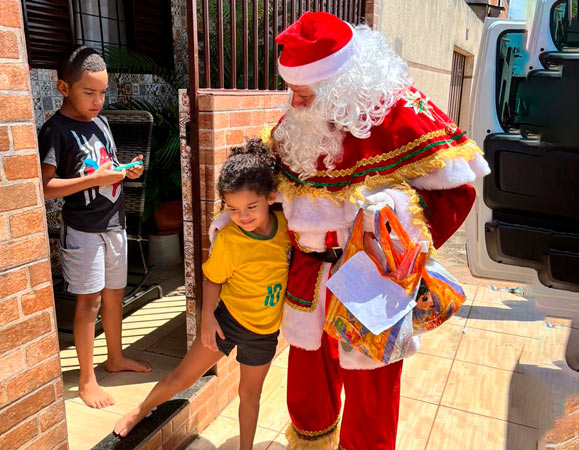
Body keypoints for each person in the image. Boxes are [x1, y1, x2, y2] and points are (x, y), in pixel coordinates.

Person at [269, 12, 492, 449]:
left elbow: (456, 193)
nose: (292, 103)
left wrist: (392, 208)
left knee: (372, 391)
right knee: (308, 384)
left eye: (302, 92)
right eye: (291, 91)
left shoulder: (402, 115)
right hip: (309, 276)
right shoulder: (295, 126)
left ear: (339, 86)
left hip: (373, 279)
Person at [113, 140, 291, 450]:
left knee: (250, 396)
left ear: (271, 197)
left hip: (265, 332)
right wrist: (207, 316)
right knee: (182, 378)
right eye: (232, 209)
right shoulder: (229, 240)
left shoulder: (288, 229)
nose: (243, 216)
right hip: (227, 322)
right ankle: (140, 410)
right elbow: (212, 278)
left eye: (251, 207)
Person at [38, 45, 151, 409]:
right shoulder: (55, 130)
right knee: (90, 301)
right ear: (63, 88)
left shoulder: (101, 123)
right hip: (83, 230)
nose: (98, 100)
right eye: (89, 92)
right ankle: (86, 380)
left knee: (115, 293)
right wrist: (92, 181)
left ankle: (114, 358)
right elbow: (45, 187)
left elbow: (106, 164)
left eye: (103, 92)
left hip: (114, 223)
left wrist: (125, 169)